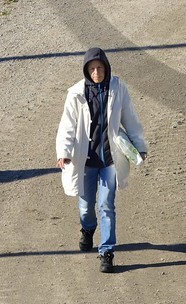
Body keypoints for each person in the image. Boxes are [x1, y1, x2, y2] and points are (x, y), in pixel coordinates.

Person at [56, 46, 148, 274]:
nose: (96, 72)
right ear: (86, 71)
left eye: (100, 68)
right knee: (86, 207)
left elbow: (130, 118)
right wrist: (63, 152)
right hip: (85, 160)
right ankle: (87, 229)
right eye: (92, 69)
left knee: (106, 205)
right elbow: (67, 126)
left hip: (109, 161)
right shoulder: (76, 94)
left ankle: (106, 251)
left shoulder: (118, 89)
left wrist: (139, 145)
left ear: (106, 67)